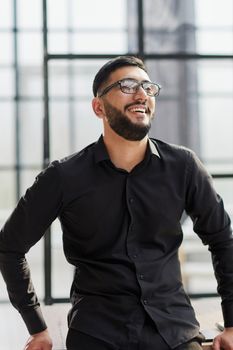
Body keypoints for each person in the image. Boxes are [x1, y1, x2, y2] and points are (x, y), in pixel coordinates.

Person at [0, 56, 233, 350]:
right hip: (97, 334)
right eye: (127, 86)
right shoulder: (63, 176)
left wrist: (232, 323)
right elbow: (10, 246)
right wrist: (37, 327)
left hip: (174, 333)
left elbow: (223, 241)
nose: (141, 94)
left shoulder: (183, 166)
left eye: (148, 87)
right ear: (99, 107)